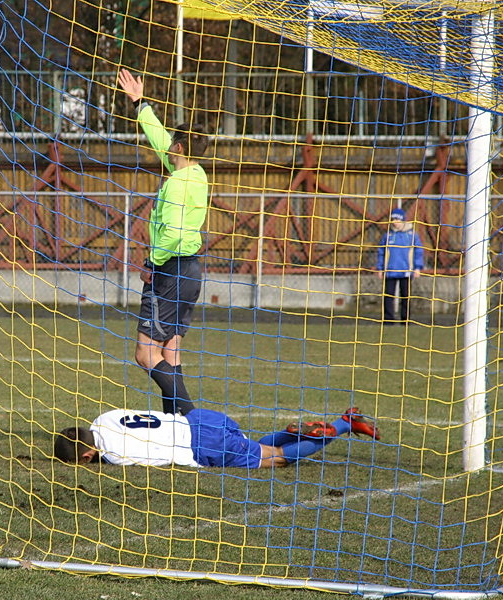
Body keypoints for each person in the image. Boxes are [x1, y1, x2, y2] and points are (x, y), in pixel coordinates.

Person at [116, 68, 210, 417]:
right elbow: (161, 141)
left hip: (169, 272)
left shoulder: (176, 184)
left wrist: (151, 265)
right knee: (171, 350)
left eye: (172, 143)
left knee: (145, 354)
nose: (166, 146)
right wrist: (140, 104)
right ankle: (176, 425)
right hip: (191, 272)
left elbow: (171, 232)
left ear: (181, 147)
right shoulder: (194, 173)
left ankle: (192, 418)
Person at [54, 406, 380, 467]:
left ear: (86, 456)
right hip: (200, 419)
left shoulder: (113, 455)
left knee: (276, 459)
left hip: (201, 446)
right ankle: (289, 431)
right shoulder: (104, 418)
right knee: (256, 445)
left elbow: (154, 459)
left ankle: (344, 423)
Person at [376, 207, 424, 324]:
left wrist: (418, 267)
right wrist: (380, 268)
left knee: (405, 296)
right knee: (388, 296)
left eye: (397, 219)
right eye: (393, 219)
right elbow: (381, 252)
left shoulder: (411, 235)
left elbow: (418, 252)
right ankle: (388, 320)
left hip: (406, 271)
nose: (394, 222)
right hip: (390, 271)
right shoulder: (388, 235)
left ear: (402, 220)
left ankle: (405, 320)